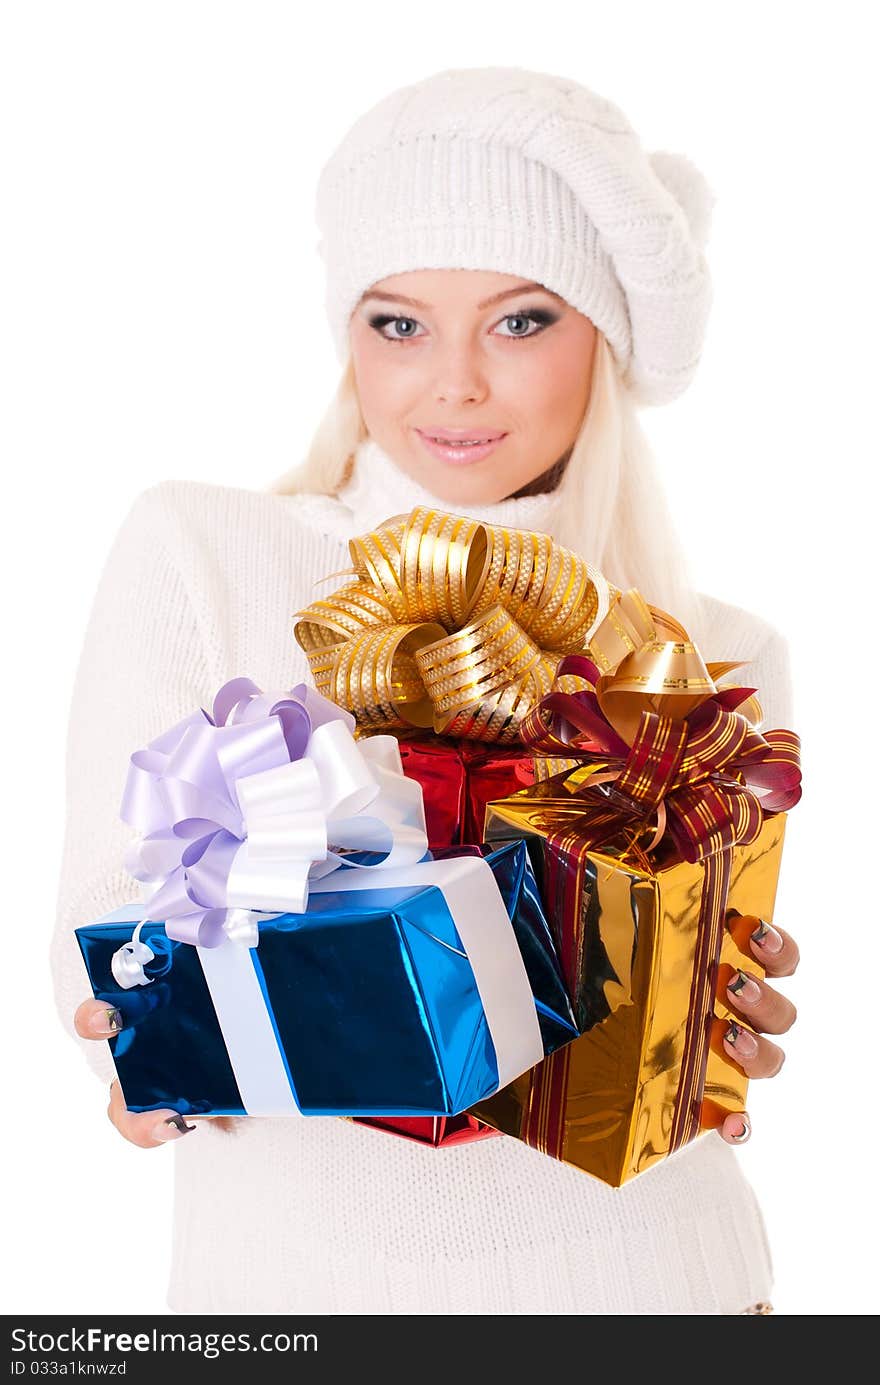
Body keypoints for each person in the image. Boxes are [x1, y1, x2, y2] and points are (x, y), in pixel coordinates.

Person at [53, 66, 799, 1315]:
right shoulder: (205, 546)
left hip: (659, 1278)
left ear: (606, 338)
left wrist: (727, 1016)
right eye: (398, 322)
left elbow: (690, 1024)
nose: (453, 382)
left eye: (519, 321)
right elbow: (110, 925)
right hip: (299, 1290)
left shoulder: (713, 650)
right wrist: (139, 1048)